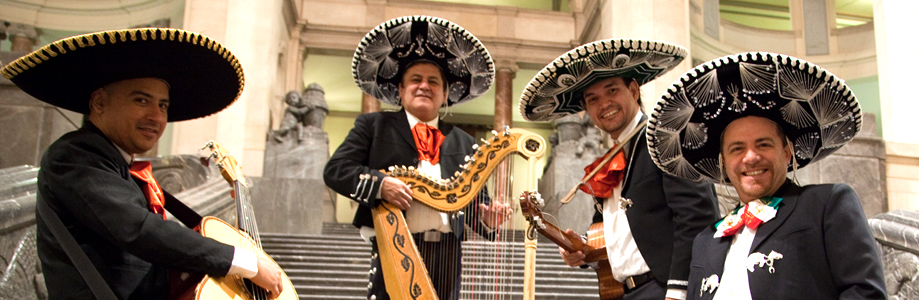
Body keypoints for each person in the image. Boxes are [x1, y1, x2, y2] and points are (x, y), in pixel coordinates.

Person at [0, 28, 284, 299]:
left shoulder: (121, 166)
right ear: (99, 102)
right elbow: (139, 229)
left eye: (162, 105)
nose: (157, 117)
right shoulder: (75, 155)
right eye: (141, 100)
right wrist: (246, 262)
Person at [645, 52, 886, 299]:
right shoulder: (706, 240)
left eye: (763, 145)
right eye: (737, 149)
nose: (750, 157)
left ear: (787, 152)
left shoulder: (826, 205)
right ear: (724, 163)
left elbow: (865, 293)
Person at [323, 16, 510, 300]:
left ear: (445, 94)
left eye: (434, 81)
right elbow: (336, 170)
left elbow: (472, 201)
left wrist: (486, 216)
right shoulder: (373, 126)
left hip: (448, 253)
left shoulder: (464, 140)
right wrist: (380, 184)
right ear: (400, 89)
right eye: (415, 80)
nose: (424, 86)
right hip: (393, 245)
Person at [519, 38, 719, 300]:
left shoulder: (666, 139)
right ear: (587, 110)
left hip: (663, 289)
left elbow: (698, 218)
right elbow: (612, 234)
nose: (604, 104)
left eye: (612, 90)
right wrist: (581, 253)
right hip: (620, 291)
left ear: (634, 90)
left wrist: (678, 290)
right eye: (593, 99)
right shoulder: (607, 161)